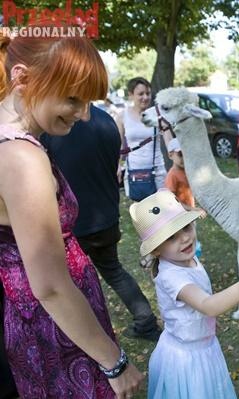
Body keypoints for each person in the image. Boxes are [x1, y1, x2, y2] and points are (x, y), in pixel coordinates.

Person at [0, 34, 142, 398]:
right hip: (54, 333)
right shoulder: (21, 158)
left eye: (88, 101)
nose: (84, 114)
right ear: (23, 77)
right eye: (73, 99)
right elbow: (49, 285)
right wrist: (114, 362)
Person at [129, 189, 239, 398]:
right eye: (171, 237)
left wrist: (207, 321)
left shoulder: (188, 259)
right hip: (187, 360)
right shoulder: (172, 277)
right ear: (156, 250)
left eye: (186, 227)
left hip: (204, 346)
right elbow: (207, 304)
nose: (185, 238)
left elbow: (202, 306)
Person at [41, 104, 162, 342]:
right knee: (113, 271)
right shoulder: (106, 120)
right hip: (105, 216)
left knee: (70, 283)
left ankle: (84, 337)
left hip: (74, 222)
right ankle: (146, 322)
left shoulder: (56, 123)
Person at [116, 77, 167, 199]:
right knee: (140, 213)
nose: (145, 97)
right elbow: (118, 145)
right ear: (131, 95)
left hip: (157, 171)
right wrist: (117, 166)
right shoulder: (123, 116)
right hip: (134, 172)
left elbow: (168, 138)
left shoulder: (158, 114)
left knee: (161, 210)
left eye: (148, 93)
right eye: (141, 94)